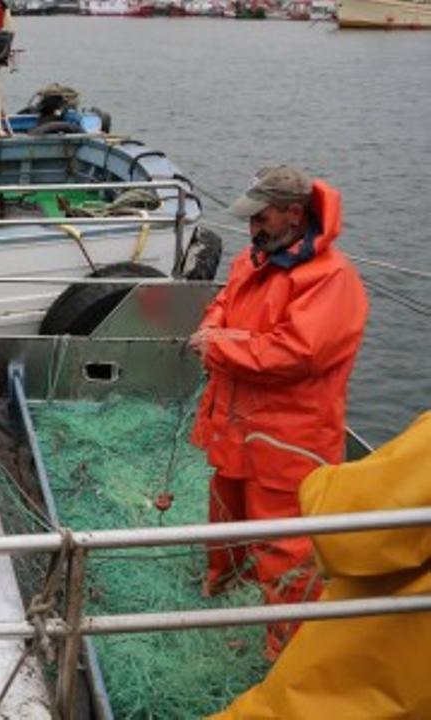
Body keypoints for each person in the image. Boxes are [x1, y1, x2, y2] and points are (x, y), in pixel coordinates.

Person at [188, 165, 368, 657]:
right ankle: (223, 580)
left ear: (294, 213)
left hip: (290, 440)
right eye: (249, 218)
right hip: (235, 424)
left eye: (261, 217)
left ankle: (288, 648)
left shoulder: (331, 279)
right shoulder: (254, 259)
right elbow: (224, 303)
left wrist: (218, 345)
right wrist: (213, 328)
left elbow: (297, 353)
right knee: (225, 514)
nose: (252, 228)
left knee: (286, 545)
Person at [213, 412, 431, 718]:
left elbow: (348, 530)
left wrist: (317, 482)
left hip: (372, 679)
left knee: (284, 551)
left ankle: (279, 644)